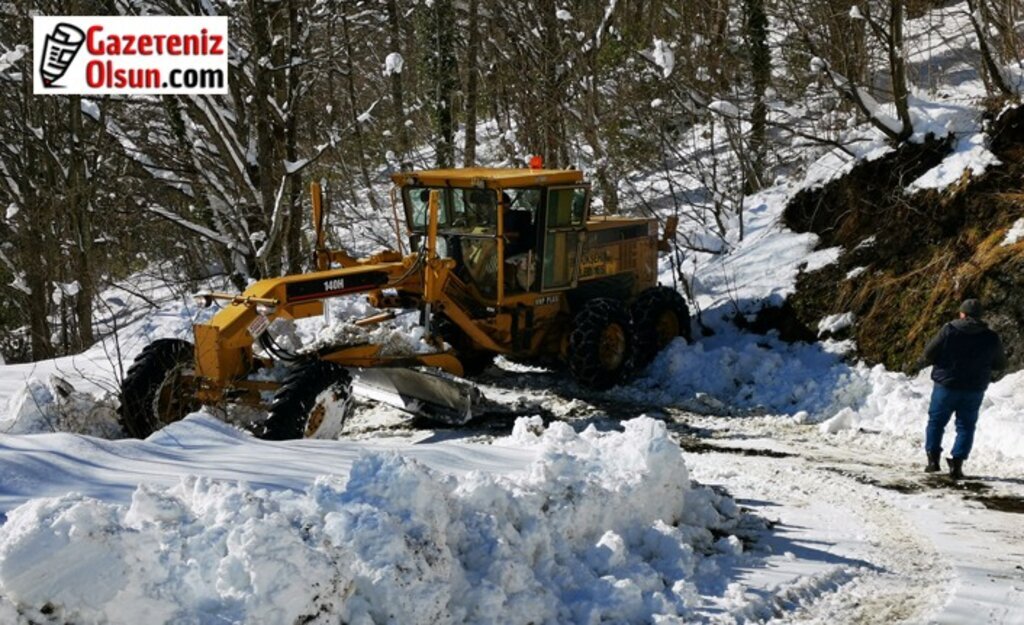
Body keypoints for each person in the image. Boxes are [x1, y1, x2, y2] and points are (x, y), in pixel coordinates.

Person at [920, 298, 1007, 480]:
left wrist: (942, 362)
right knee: (966, 426)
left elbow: (928, 353)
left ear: (962, 313)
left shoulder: (949, 329)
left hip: (946, 385)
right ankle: (957, 465)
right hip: (974, 389)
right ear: (980, 316)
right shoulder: (991, 337)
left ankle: (933, 461)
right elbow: (1000, 364)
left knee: (936, 422)